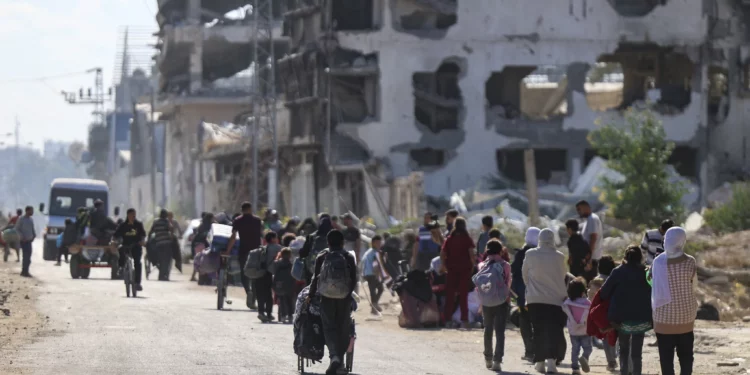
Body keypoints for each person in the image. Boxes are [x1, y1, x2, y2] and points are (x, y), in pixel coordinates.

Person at [308, 230, 358, 375]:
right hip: (344, 298)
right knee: (343, 327)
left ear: (328, 242)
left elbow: (315, 279)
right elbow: (353, 279)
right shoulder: (348, 256)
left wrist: (310, 295)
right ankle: (340, 361)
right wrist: (347, 294)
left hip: (326, 297)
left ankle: (334, 356)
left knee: (329, 327)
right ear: (343, 242)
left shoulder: (322, 256)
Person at [600, 246, 653, 375]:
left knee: (623, 351)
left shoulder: (617, 272)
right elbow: (653, 292)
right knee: (636, 353)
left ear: (625, 257)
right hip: (642, 318)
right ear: (640, 257)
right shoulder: (646, 272)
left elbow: (604, 293)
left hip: (621, 320)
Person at [652, 227, 697, 375]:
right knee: (686, 358)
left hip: (663, 318)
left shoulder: (657, 262)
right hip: (686, 317)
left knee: (666, 360)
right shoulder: (690, 262)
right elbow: (694, 287)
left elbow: (653, 285)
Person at [522, 228, 567, 374]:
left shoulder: (530, 254)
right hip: (555, 299)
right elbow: (563, 275)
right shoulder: (559, 256)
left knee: (538, 330)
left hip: (535, 299)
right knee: (554, 330)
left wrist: (531, 287)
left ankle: (540, 362)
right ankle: (552, 363)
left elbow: (525, 275)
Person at [479, 240, 512, 372]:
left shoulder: (482, 266)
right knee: (500, 331)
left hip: (487, 301)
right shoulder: (506, 265)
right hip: (501, 301)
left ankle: (488, 357)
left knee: (488, 329)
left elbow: (480, 286)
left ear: (487, 251)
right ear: (500, 251)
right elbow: (508, 283)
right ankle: (497, 361)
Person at [440, 217, 476, 329]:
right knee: (463, 296)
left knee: (450, 296)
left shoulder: (449, 239)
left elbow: (442, 253)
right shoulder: (467, 239)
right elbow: (471, 254)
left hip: (451, 270)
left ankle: (447, 320)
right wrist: (473, 266)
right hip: (464, 270)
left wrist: (443, 265)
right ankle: (464, 320)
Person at [226, 202, 263, 309]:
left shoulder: (238, 220)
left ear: (242, 210)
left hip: (243, 250)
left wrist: (228, 250)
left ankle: (249, 292)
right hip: (256, 251)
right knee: (256, 275)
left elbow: (233, 237)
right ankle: (254, 298)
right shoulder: (257, 220)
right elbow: (262, 235)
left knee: (244, 274)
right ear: (250, 209)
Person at [512, 227, 540, 362]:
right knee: (538, 323)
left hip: (523, 296)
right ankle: (539, 352)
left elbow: (514, 273)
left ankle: (529, 351)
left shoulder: (521, 254)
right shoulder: (541, 254)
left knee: (525, 323)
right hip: (540, 295)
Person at [587, 255, 618, 368]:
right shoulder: (613, 280)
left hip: (600, 315)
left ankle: (611, 360)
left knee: (605, 336)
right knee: (615, 336)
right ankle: (615, 356)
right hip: (613, 313)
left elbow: (590, 298)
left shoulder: (594, 281)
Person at [562, 277, 592, 375]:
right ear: (583, 291)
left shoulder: (567, 303)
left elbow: (563, 307)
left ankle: (575, 368)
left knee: (575, 349)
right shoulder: (587, 303)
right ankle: (584, 358)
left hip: (573, 331)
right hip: (585, 331)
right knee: (587, 348)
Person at [114, 209, 147, 291]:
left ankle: (137, 283)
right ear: (128, 215)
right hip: (126, 245)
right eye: (132, 215)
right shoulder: (123, 225)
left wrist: (142, 241)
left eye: (134, 215)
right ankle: (121, 268)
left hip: (136, 246)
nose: (133, 216)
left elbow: (143, 235)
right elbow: (115, 235)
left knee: (138, 263)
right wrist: (113, 241)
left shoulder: (138, 224)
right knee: (120, 249)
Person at [254, 231, 282, 322]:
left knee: (260, 293)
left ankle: (261, 312)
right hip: (269, 273)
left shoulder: (261, 248)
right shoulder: (277, 248)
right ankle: (269, 314)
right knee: (268, 294)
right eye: (276, 237)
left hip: (259, 273)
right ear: (273, 239)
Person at [299, 215, 334, 285]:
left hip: (312, 270)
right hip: (330, 271)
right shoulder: (334, 236)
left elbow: (303, 253)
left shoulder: (311, 237)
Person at [576, 200, 603, 281]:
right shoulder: (589, 220)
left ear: (586, 207)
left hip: (592, 259)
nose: (578, 212)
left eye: (579, 209)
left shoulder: (592, 218)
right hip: (590, 258)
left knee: (589, 283)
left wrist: (589, 256)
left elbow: (593, 237)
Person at [148, 209, 176, 281]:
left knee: (161, 259)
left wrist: (148, 240)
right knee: (167, 259)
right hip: (167, 243)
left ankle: (161, 275)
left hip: (159, 244)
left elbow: (151, 231)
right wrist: (172, 237)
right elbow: (171, 228)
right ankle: (164, 275)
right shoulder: (166, 222)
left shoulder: (155, 222)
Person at [362, 235, 385, 314]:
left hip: (367, 273)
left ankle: (374, 305)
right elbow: (375, 266)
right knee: (374, 290)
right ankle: (374, 307)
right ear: (373, 243)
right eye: (377, 243)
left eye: (380, 242)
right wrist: (378, 276)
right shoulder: (375, 253)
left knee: (379, 289)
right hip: (371, 274)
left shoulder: (369, 251)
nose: (379, 244)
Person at [273, 247, 295, 323]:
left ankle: (282, 316)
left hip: (279, 284)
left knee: (281, 301)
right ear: (290, 255)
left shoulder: (277, 263)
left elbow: (274, 273)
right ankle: (290, 315)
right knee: (289, 301)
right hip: (289, 285)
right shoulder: (291, 264)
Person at [190, 213, 214, 283]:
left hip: (197, 245)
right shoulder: (210, 226)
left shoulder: (201, 225)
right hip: (203, 245)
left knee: (199, 262)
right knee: (205, 262)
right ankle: (204, 279)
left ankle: (200, 279)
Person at [15, 206, 36, 278]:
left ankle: (26, 271)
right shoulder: (21, 219)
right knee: (25, 257)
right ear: (27, 211)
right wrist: (21, 237)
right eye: (31, 211)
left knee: (29, 257)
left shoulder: (31, 219)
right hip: (23, 241)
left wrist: (34, 235)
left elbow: (32, 228)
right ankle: (24, 272)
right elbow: (17, 229)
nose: (32, 212)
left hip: (29, 241)